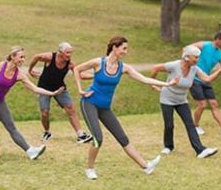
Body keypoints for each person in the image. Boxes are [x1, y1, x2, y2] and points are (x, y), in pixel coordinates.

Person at [74, 36, 179, 180]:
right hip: (89, 102)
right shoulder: (99, 62)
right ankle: (90, 169)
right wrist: (80, 90)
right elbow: (76, 69)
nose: (126, 52)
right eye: (124, 48)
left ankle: (145, 166)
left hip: (105, 107)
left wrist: (166, 84)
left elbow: (144, 79)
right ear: (115, 47)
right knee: (98, 138)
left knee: (122, 138)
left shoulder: (124, 68)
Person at [0, 46, 64, 160]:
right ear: (12, 57)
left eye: (24, 58)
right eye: (21, 57)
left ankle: (30, 151)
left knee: (12, 128)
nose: (23, 60)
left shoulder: (19, 75)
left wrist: (52, 93)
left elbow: (35, 89)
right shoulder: (0, 66)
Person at [151, 45, 221, 158]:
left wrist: (220, 70)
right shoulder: (174, 65)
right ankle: (168, 146)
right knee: (169, 124)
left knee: (190, 124)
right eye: (195, 57)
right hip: (167, 98)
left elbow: (207, 79)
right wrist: (154, 85)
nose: (197, 60)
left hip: (181, 100)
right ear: (187, 57)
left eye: (198, 57)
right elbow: (155, 68)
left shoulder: (195, 68)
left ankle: (200, 150)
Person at [28, 42, 92, 143]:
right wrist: (30, 70)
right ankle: (47, 132)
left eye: (70, 52)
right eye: (67, 53)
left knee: (71, 109)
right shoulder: (50, 57)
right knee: (45, 113)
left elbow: (81, 75)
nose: (69, 55)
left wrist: (96, 76)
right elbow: (37, 56)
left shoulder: (70, 64)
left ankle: (81, 135)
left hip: (60, 89)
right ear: (60, 52)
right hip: (44, 88)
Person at [189, 32, 221, 135]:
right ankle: (195, 126)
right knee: (202, 105)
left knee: (214, 104)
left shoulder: (219, 53)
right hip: (195, 79)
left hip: (206, 79)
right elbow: (188, 48)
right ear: (218, 39)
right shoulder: (205, 45)